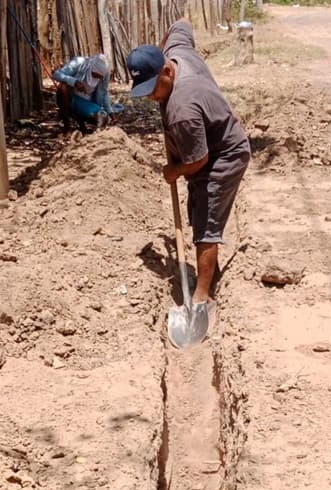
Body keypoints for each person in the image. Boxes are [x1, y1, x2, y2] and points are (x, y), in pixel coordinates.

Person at [127, 19, 250, 308]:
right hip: (209, 137)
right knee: (195, 209)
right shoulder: (177, 51)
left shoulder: (182, 107)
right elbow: (180, 24)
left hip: (224, 155)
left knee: (206, 220)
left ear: (168, 71)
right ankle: (210, 268)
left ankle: (202, 295)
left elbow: (198, 160)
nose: (150, 97)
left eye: (153, 88)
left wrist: (173, 171)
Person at [52, 53, 114, 132]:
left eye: (100, 77)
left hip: (87, 103)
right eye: (95, 75)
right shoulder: (79, 62)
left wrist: (111, 113)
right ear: (92, 69)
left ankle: (82, 120)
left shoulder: (105, 74)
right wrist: (74, 82)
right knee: (63, 87)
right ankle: (67, 125)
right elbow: (56, 74)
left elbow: (104, 92)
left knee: (103, 118)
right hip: (70, 98)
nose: (98, 78)